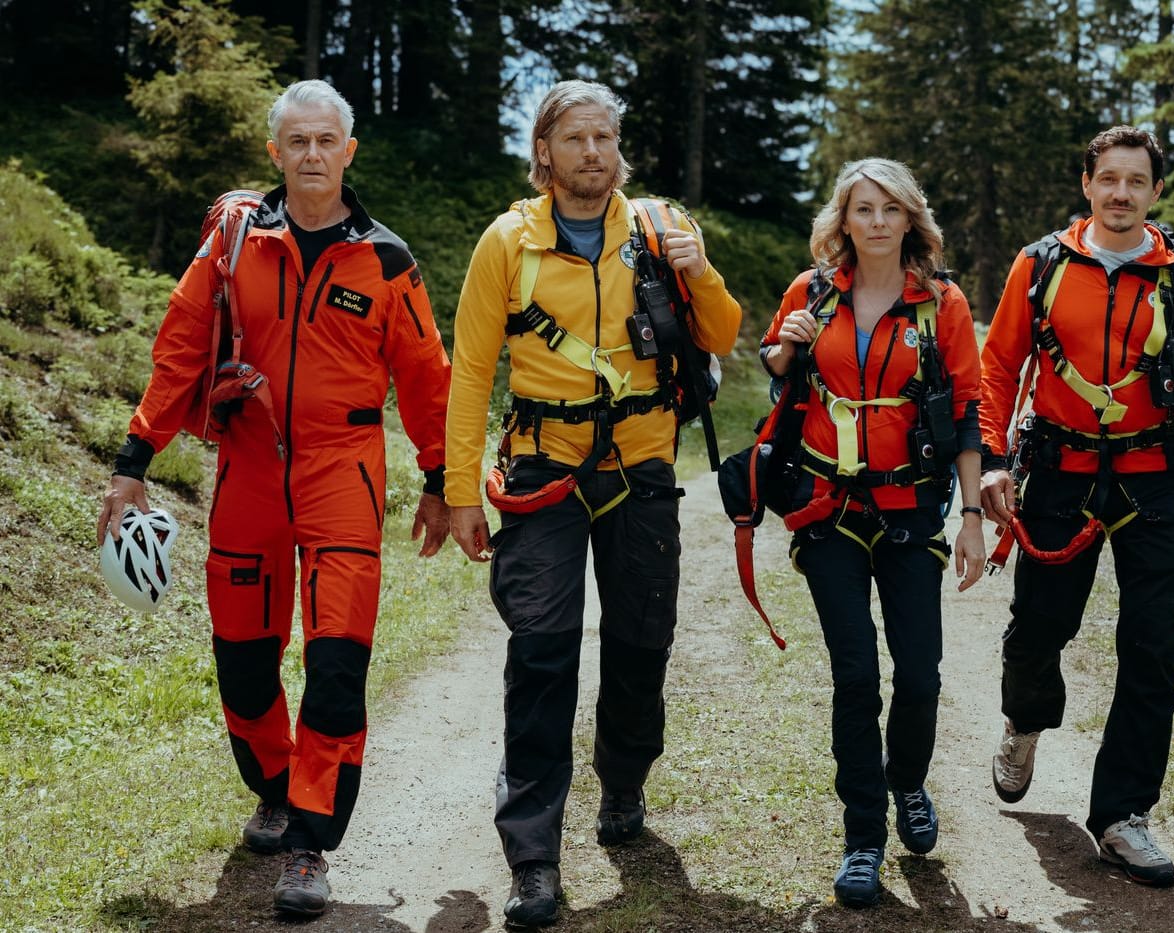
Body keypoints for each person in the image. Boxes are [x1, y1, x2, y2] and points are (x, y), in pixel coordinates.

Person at [96, 79, 452, 917]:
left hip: (344, 476)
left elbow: (427, 379)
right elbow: (182, 341)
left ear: (349, 150)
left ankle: (309, 844)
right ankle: (276, 786)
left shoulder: (387, 260)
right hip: (249, 473)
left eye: (328, 141)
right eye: (298, 142)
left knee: (335, 665)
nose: (314, 156)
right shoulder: (233, 243)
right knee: (245, 665)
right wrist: (132, 457)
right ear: (275, 154)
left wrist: (442, 481)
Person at [444, 79, 741, 929]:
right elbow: (470, 371)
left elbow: (720, 334)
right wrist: (461, 489)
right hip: (542, 472)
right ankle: (533, 855)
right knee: (540, 652)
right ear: (544, 152)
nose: (592, 153)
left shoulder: (658, 230)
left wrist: (700, 270)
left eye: (604, 137)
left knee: (643, 640)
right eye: (575, 138)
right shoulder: (508, 241)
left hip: (642, 468)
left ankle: (623, 780)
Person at [979, 125, 1174, 887]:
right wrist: (994, 461)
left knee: (1150, 651)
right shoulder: (1039, 266)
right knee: (1039, 627)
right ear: (1086, 185)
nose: (1120, 194)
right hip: (1059, 472)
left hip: (1154, 480)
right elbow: (999, 366)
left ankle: (1120, 816)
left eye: (1135, 182)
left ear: (1154, 192)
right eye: (1108, 179)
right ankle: (1024, 722)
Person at [759, 158, 985, 908]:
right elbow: (776, 367)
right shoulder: (813, 290)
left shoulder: (942, 304)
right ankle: (863, 835)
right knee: (856, 674)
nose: (878, 221)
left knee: (918, 673)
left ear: (910, 218)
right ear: (844, 221)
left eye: (890, 208)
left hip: (912, 509)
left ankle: (909, 782)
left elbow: (967, 416)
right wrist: (784, 343)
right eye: (863, 209)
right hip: (827, 508)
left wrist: (974, 517)